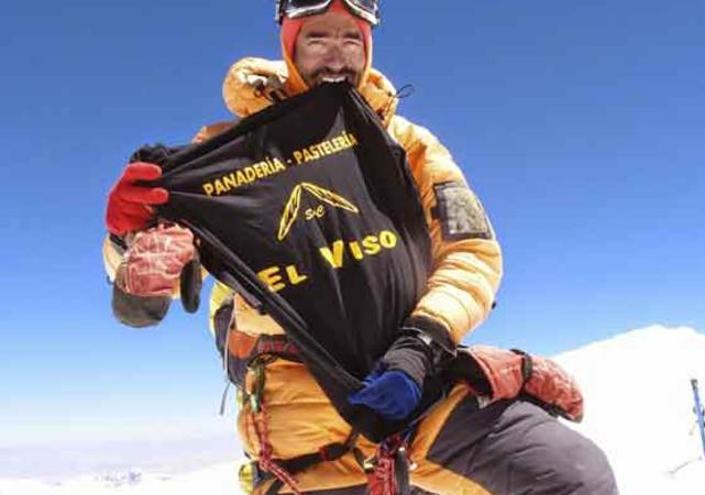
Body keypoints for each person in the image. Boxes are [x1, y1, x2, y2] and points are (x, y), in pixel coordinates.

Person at [102, 1, 618, 494]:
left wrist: (421, 343)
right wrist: (129, 244)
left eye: (352, 38)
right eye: (318, 37)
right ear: (290, 48)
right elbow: (163, 270)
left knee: (573, 476)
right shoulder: (229, 151)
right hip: (301, 421)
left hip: (416, 378)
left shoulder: (406, 144)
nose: (337, 52)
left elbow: (471, 253)